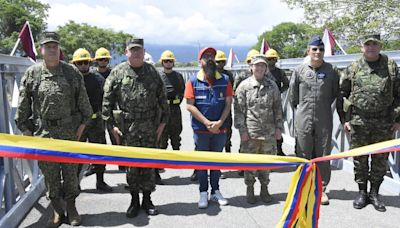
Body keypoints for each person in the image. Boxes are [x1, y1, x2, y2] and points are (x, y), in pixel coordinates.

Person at [15, 32, 92, 227]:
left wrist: (81, 128)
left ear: (59, 49)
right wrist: (26, 131)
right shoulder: (33, 74)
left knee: (70, 174)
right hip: (44, 134)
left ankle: (72, 208)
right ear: (41, 50)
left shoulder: (72, 72)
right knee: (50, 176)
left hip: (69, 133)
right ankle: (57, 210)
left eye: (55, 46)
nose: (51, 49)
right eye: (47, 46)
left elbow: (85, 107)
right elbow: (23, 107)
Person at [102, 38, 169, 218]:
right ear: (127, 52)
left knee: (148, 163)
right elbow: (106, 102)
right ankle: (133, 200)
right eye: (133, 50)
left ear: (143, 51)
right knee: (131, 166)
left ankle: (147, 200)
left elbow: (164, 101)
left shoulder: (152, 72)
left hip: (149, 125)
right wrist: (112, 127)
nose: (136, 53)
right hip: (128, 127)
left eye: (139, 50)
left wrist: (162, 124)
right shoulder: (117, 72)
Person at [340, 34, 400, 212]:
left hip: (384, 122)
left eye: (375, 44)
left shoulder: (390, 66)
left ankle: (374, 193)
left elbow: (399, 94)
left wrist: (397, 120)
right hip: (359, 121)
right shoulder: (353, 67)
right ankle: (361, 192)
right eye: (367, 45)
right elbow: (342, 94)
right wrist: (345, 120)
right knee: (360, 160)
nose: (371, 47)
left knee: (380, 160)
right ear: (362, 47)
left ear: (380, 47)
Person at [289, 35, 341, 205]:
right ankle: (303, 186)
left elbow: (335, 93)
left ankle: (321, 189)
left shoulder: (332, 71)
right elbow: (293, 97)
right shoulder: (299, 71)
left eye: (321, 49)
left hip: (324, 117)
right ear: (308, 51)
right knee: (303, 153)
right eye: (314, 49)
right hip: (303, 117)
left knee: (323, 154)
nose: (318, 52)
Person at [184, 47, 233, 209]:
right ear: (201, 61)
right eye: (206, 57)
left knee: (216, 161)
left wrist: (219, 122)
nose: (210, 59)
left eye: (212, 56)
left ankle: (216, 191)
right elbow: (190, 106)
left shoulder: (225, 80)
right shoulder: (192, 81)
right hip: (201, 130)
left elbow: (228, 103)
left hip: (220, 130)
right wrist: (206, 122)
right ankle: (203, 192)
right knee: (203, 162)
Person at [234, 54, 283, 204]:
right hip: (251, 132)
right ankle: (250, 189)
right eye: (257, 65)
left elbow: (277, 108)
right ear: (251, 67)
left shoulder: (272, 85)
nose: (260, 68)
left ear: (266, 68)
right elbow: (238, 110)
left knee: (266, 163)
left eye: (263, 66)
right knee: (250, 163)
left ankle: (264, 188)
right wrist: (242, 131)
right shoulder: (244, 86)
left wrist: (279, 128)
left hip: (268, 133)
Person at [71, 48, 113, 193]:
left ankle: (100, 181)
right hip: (78, 124)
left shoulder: (98, 79)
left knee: (99, 152)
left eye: (85, 62)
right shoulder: (71, 80)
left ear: (89, 62)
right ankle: (74, 184)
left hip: (96, 122)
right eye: (79, 63)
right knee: (77, 155)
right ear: (75, 64)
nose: (83, 65)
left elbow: (106, 100)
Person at [157, 50, 185, 184]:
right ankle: (161, 162)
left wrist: (176, 101)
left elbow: (182, 92)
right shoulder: (158, 76)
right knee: (162, 137)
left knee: (176, 134)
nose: (168, 63)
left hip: (175, 109)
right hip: (162, 110)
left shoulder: (178, 76)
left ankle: (176, 158)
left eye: (170, 61)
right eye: (166, 61)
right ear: (162, 62)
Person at [233, 49, 260, 177]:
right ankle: (242, 167)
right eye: (250, 61)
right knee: (245, 144)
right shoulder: (242, 77)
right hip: (247, 116)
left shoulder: (267, 76)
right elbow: (236, 96)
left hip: (263, 121)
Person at [265, 48, 289, 156]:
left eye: (273, 59)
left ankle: (279, 149)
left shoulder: (280, 72)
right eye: (269, 59)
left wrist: (279, 92)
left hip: (276, 104)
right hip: (264, 103)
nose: (271, 61)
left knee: (278, 126)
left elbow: (286, 84)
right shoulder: (263, 72)